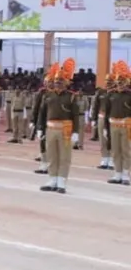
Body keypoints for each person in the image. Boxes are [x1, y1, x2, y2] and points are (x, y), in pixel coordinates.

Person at [35, 58, 82, 194]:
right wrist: (40, 128)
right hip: (50, 129)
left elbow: (75, 116)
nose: (57, 84)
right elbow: (42, 114)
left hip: (65, 129)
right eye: (56, 81)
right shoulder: (48, 95)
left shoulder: (71, 97)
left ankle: (61, 181)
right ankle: (52, 179)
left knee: (64, 156)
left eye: (60, 81)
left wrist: (76, 132)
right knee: (52, 155)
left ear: (66, 82)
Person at [103, 61, 131, 185]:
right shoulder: (111, 95)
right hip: (113, 125)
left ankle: (126, 174)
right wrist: (105, 127)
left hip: (127, 126)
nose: (120, 85)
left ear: (127, 83)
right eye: (118, 83)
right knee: (115, 150)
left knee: (126, 150)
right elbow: (107, 112)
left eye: (122, 82)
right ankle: (117, 173)